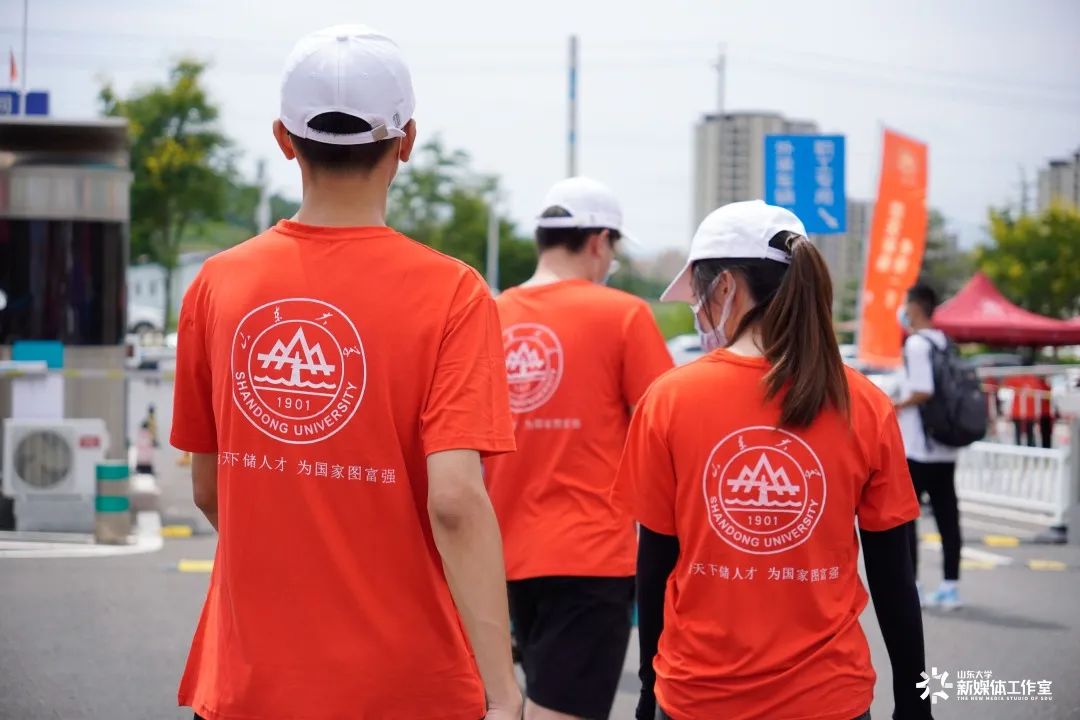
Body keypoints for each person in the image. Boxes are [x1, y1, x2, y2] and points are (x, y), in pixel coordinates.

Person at [171, 26, 521, 720]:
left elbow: (209, 486)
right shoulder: (452, 293)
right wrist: (505, 691)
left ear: (282, 138)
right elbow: (454, 499)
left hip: (249, 684)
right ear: (408, 140)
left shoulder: (217, 285)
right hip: (404, 687)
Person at [614, 200, 931, 720]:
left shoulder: (670, 400)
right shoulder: (863, 402)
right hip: (830, 699)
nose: (697, 311)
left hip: (698, 697)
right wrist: (916, 702)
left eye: (696, 295)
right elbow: (894, 575)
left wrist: (649, 689)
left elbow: (654, 566)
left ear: (724, 289)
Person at [484, 177, 674, 720]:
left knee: (512, 701)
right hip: (589, 553)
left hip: (496, 555)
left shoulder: (488, 315)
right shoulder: (622, 315)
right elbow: (666, 428)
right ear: (598, 242)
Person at [896, 283, 963, 609]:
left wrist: (896, 404)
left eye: (906, 305)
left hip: (919, 446)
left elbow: (922, 390)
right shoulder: (946, 341)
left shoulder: (917, 344)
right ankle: (951, 586)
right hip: (946, 444)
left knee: (909, 518)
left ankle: (916, 585)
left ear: (916, 307)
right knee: (948, 516)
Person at [1004, 352, 1054, 448]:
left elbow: (1045, 391)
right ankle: (1020, 452)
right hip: (1018, 413)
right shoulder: (1018, 378)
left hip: (1029, 413)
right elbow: (1006, 385)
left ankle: (1029, 452)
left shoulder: (1034, 379)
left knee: (1029, 436)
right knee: (1019, 436)